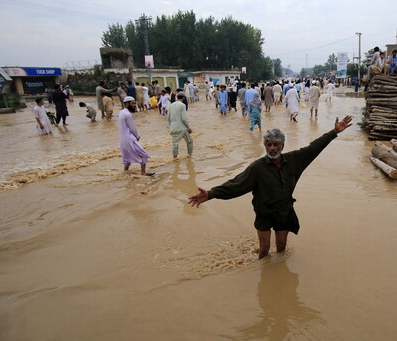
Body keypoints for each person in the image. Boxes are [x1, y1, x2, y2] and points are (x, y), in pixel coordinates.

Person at [188, 116, 353, 259]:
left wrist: (334, 132)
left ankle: (278, 275)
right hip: (264, 213)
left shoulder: (295, 160)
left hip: (284, 212)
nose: (272, 148)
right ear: (265, 146)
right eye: (268, 144)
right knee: (265, 249)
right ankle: (263, 273)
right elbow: (236, 184)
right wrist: (210, 194)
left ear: (282, 145)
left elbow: (313, 148)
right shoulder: (257, 168)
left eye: (275, 144)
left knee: (281, 247)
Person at [118, 96, 154, 176]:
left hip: (123, 140)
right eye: (133, 103)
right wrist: (137, 136)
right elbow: (132, 128)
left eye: (135, 103)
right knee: (144, 155)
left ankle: (125, 173)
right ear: (127, 104)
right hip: (129, 139)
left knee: (126, 159)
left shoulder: (121, 112)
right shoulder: (128, 114)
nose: (135, 105)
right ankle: (143, 173)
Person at [168, 92, 193, 159]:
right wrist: (189, 128)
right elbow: (184, 119)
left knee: (175, 144)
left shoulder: (171, 105)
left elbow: (168, 117)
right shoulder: (182, 105)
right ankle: (189, 156)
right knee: (189, 141)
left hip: (173, 127)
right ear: (183, 98)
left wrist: (170, 126)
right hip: (182, 128)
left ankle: (175, 158)